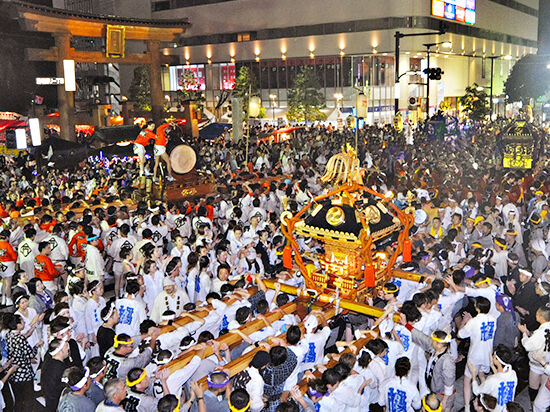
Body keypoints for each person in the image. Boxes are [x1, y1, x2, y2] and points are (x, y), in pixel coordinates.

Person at [458, 297, 497, 412]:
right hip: (487, 355)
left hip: (475, 355)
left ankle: (466, 408)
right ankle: (486, 401)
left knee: (467, 379)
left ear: (477, 308)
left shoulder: (473, 322)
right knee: (482, 375)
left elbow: (460, 335)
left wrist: (466, 321)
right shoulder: (493, 319)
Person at [5, 313, 43, 410]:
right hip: (24, 374)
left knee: (18, 400)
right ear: (17, 325)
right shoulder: (20, 338)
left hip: (14, 374)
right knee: (27, 400)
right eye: (22, 321)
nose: (24, 322)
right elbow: (30, 354)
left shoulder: (8, 335)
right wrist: (37, 345)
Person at [468, 345, 518, 412]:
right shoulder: (513, 374)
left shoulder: (492, 380)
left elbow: (476, 391)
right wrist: (492, 366)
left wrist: (473, 374)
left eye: (494, 356)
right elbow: (501, 377)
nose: (492, 357)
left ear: (497, 360)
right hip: (508, 408)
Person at [42, 337, 70, 411]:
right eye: (66, 347)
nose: (68, 349)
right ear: (60, 350)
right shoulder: (59, 368)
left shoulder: (49, 362)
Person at [0, 229, 17, 305]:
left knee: (4, 282)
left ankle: (3, 298)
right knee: (8, 283)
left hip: (1, 263)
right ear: (7, 237)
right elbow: (14, 256)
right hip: (8, 264)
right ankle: (8, 299)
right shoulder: (7, 245)